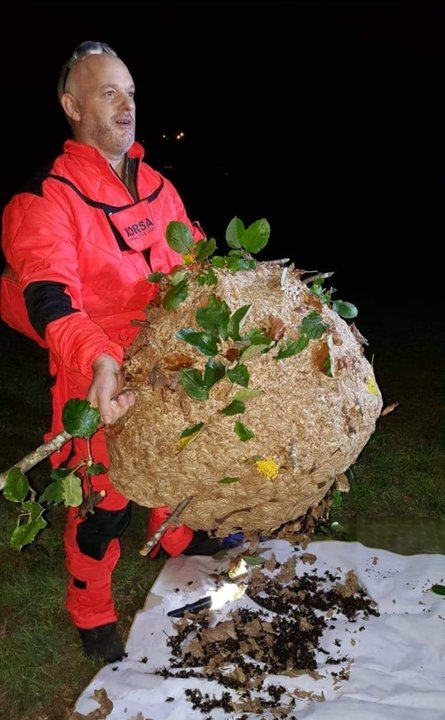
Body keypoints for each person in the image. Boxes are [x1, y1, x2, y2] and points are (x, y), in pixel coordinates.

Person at [0, 41, 229, 663]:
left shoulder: (158, 186)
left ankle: (181, 535)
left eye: (130, 92)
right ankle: (92, 610)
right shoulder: (44, 199)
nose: (126, 105)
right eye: (108, 93)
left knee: (180, 461)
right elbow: (49, 293)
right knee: (104, 505)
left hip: (169, 364)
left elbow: (197, 268)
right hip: (92, 369)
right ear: (71, 105)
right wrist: (99, 356)